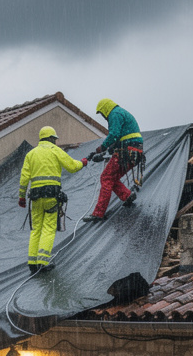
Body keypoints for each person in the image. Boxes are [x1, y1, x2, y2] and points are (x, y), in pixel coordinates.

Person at [18, 126, 85, 274]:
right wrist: (83, 162)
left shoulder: (31, 154)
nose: (55, 142)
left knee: (35, 230)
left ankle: (32, 263)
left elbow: (24, 178)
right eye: (54, 139)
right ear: (51, 138)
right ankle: (42, 262)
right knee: (48, 228)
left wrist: (21, 196)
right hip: (51, 197)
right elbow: (72, 166)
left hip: (35, 198)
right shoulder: (55, 150)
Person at [83, 98, 144, 222]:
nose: (103, 116)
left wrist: (102, 147)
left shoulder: (114, 114)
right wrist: (107, 150)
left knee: (105, 177)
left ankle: (98, 213)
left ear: (105, 109)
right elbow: (119, 138)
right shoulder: (122, 113)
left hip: (126, 151)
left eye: (101, 113)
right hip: (134, 152)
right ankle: (127, 196)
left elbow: (114, 134)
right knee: (112, 178)